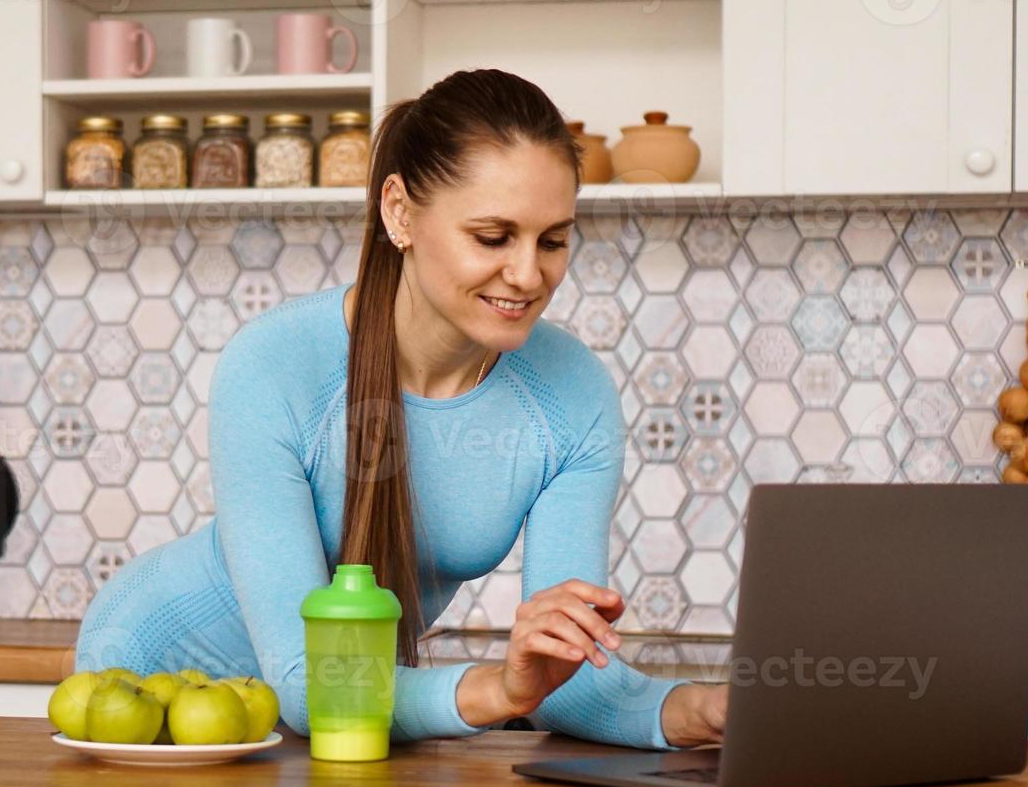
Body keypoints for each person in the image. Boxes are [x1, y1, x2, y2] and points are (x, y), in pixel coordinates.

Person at [76, 69, 728, 749]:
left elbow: (573, 682)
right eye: (492, 236)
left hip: (357, 718)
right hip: (157, 685)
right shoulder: (274, 364)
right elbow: (306, 684)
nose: (530, 275)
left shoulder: (571, 395)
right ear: (399, 212)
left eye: (554, 241)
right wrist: (500, 690)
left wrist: (704, 710)